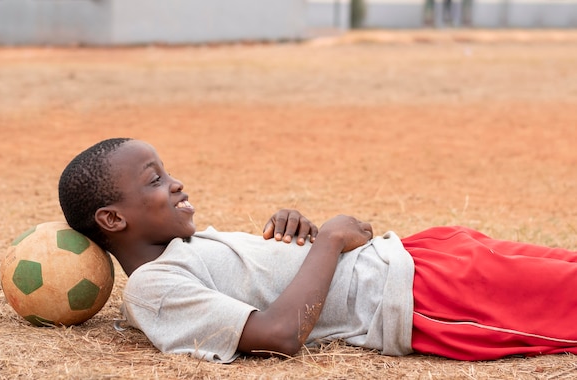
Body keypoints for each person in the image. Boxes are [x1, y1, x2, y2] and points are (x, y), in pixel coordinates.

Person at [59, 138, 577, 363]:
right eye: (155, 180)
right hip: (427, 300)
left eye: (167, 172)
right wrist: (327, 242)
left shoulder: (188, 244)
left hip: (428, 255)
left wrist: (300, 234)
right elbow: (277, 335)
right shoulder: (152, 288)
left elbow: (276, 278)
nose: (175, 184)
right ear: (112, 218)